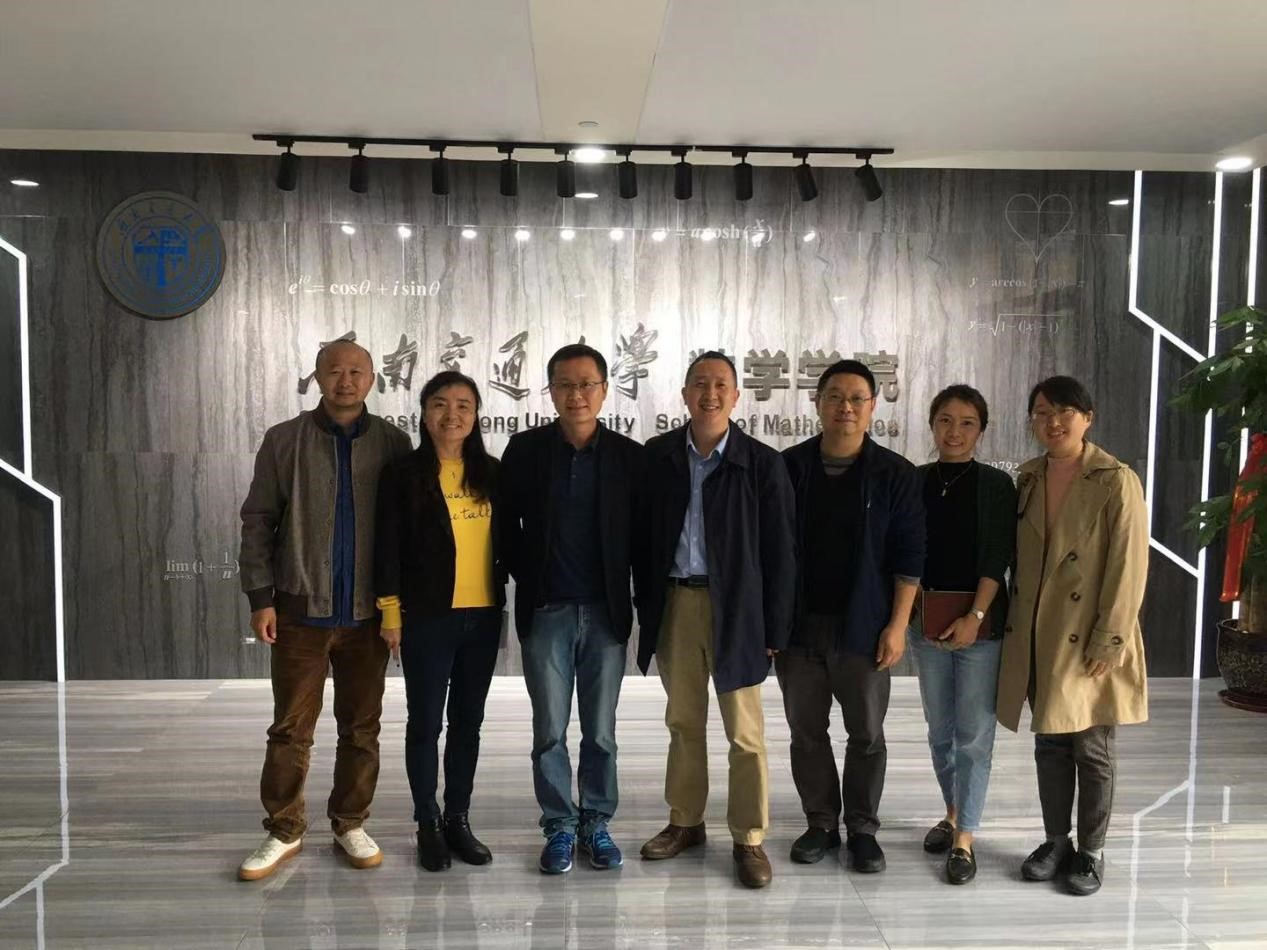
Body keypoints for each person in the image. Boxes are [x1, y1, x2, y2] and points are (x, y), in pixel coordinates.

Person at [236, 340, 411, 881]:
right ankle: (283, 828)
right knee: (290, 729)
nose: (345, 380)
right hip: (298, 612)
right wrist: (261, 598)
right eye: (334, 370)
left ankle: (350, 822)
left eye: (356, 371)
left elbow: (406, 533)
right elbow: (258, 520)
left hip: (366, 616)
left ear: (373, 379)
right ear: (317, 376)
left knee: (362, 728)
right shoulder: (283, 440)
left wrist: (398, 609)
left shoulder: (394, 443)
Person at [637, 350, 796, 889]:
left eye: (721, 385)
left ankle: (749, 837)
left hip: (739, 610)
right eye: (700, 384)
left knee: (745, 732)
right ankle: (685, 821)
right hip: (676, 603)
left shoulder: (762, 463)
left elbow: (781, 552)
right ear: (685, 394)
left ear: (736, 396)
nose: (710, 394)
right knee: (683, 721)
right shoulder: (658, 456)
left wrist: (774, 627)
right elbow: (642, 538)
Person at [998, 375, 1149, 896]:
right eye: (1042, 412)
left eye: (1064, 411)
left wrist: (1111, 638)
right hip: (1039, 634)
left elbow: (1129, 566)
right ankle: (1055, 841)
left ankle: (1091, 851)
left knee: (1092, 747)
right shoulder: (1029, 477)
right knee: (1050, 743)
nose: (1053, 422)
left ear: (1088, 417)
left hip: (1089, 636)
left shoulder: (1116, 479)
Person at [500, 343, 646, 875]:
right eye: (564, 384)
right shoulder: (525, 450)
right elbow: (505, 526)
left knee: (601, 731)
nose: (576, 394)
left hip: (606, 614)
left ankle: (596, 823)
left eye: (586, 384)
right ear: (551, 391)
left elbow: (644, 541)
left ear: (604, 390)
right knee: (549, 731)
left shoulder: (630, 457)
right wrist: (531, 579)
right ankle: (560, 825)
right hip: (548, 613)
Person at [778, 359, 924, 875]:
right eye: (835, 396)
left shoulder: (895, 474)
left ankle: (862, 828)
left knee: (866, 733)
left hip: (865, 628)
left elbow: (909, 557)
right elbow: (770, 551)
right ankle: (820, 822)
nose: (846, 406)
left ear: (873, 406)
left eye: (857, 398)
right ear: (817, 403)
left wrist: (897, 626)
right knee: (806, 731)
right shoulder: (788, 467)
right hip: (798, 629)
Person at [374, 371, 506, 871]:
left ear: (476, 415)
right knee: (425, 722)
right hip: (427, 617)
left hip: (483, 617)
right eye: (440, 404)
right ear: (425, 413)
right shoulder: (402, 474)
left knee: (468, 723)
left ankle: (458, 819)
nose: (452, 415)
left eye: (464, 405)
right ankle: (427, 821)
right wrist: (391, 614)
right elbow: (386, 548)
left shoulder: (492, 473)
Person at [908, 385, 1016, 884]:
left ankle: (965, 838)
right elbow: (905, 552)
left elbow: (997, 556)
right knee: (940, 730)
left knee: (973, 735)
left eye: (967, 422)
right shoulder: (914, 480)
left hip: (981, 627)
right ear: (933, 425)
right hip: (926, 623)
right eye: (946, 421)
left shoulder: (996, 485)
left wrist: (974, 615)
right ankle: (952, 813)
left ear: (981, 430)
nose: (955, 431)